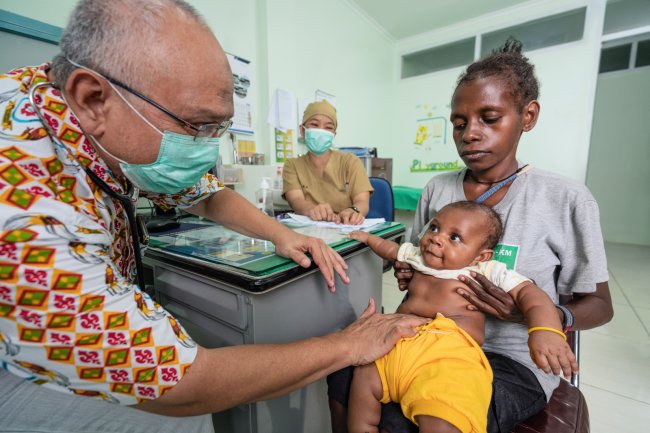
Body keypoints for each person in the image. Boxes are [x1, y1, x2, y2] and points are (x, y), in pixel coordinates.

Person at [0, 1, 428, 432]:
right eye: (197, 126)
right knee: (188, 421)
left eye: (218, 129)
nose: (206, 150)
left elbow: (204, 194)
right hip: (13, 367)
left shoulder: (81, 112)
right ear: (93, 99)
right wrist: (346, 346)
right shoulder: (26, 208)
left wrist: (280, 235)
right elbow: (183, 380)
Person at [327, 38, 613, 433]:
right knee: (342, 374)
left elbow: (600, 304)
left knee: (406, 420)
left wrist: (541, 318)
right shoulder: (437, 190)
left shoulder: (566, 199)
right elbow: (417, 262)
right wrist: (411, 273)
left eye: (489, 118)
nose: (469, 134)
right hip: (419, 337)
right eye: (459, 124)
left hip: (512, 360)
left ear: (527, 116)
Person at [347, 201, 577, 433]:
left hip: (448, 353)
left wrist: (545, 330)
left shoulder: (485, 270)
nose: (437, 238)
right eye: (435, 228)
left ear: (481, 256)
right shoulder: (417, 255)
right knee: (361, 382)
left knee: (442, 410)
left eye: (455, 238)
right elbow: (390, 249)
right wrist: (367, 238)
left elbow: (533, 295)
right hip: (397, 342)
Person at [282, 100, 373, 225]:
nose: (321, 131)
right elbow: (296, 201)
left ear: (333, 134)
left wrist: (354, 210)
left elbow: (362, 201)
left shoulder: (350, 162)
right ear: (302, 130)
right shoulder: (292, 165)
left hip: (346, 229)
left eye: (328, 127)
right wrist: (311, 210)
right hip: (309, 233)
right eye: (314, 125)